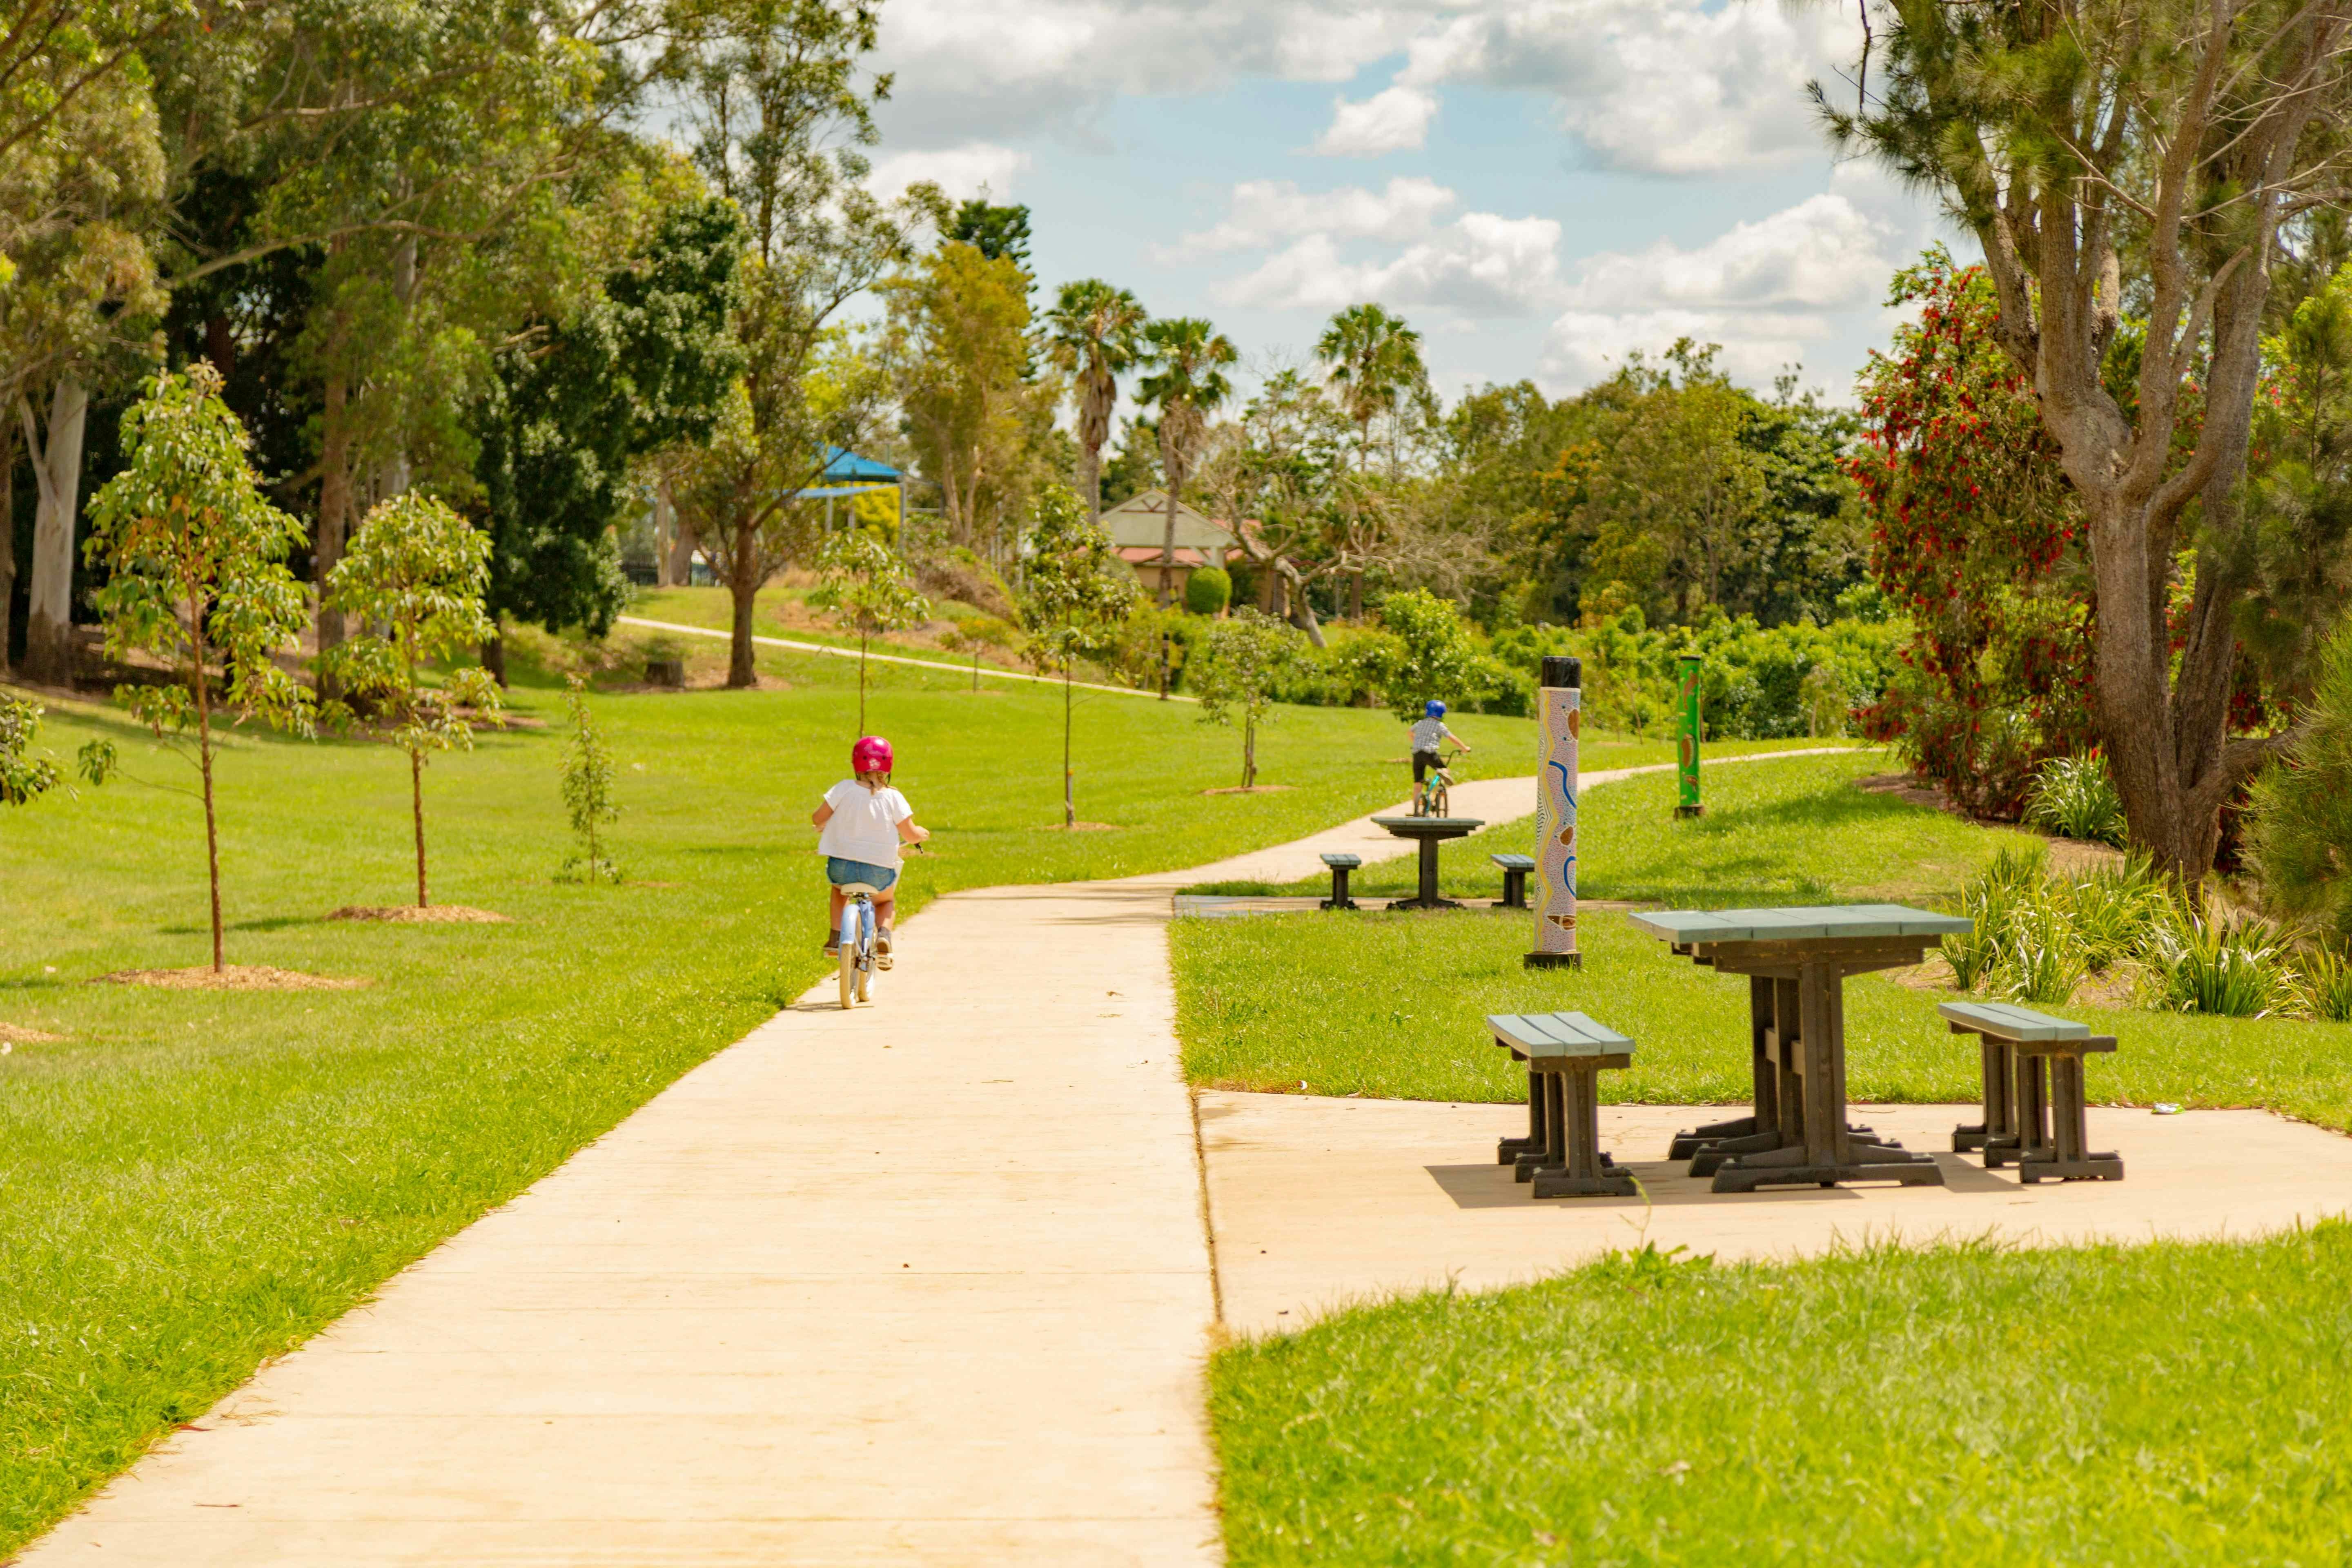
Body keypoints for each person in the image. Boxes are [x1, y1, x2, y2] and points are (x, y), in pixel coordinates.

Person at [811, 735, 929, 968]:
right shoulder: (893, 797)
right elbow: (910, 834)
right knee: (885, 901)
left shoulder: (843, 789)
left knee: (839, 891)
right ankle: (884, 936)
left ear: (856, 764)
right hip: (878, 871)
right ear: (889, 767)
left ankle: (836, 938)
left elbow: (817, 819)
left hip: (841, 868)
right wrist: (922, 835)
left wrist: (829, 823)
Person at [1410, 699, 1469, 802]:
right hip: (1430, 753)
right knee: (1444, 770)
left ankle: (1417, 809)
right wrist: (1464, 748)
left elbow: (1410, 732)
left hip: (1417, 754)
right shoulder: (1439, 725)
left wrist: (1416, 742)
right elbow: (1452, 738)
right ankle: (1433, 796)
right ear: (1442, 713)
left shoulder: (1420, 723)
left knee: (1418, 783)